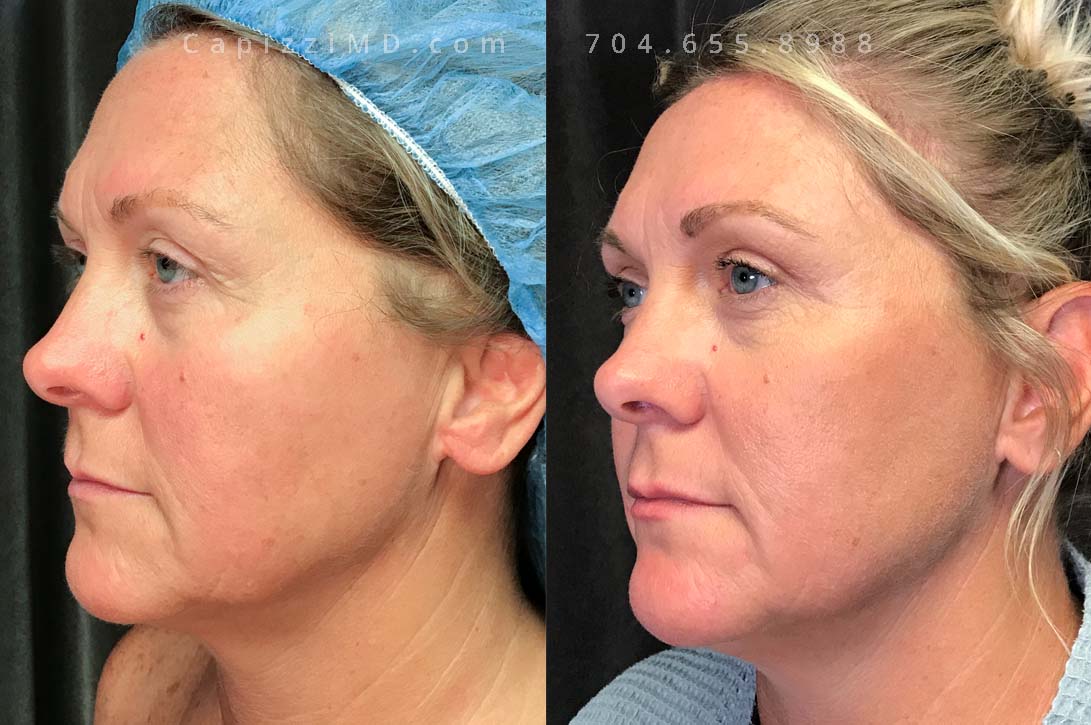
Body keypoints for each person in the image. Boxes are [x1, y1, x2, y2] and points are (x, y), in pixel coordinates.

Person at [21, 1, 545, 723]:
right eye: (81, 259)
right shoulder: (150, 689)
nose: (50, 360)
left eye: (169, 265)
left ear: (482, 393)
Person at [576, 0, 1091, 722]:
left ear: (1039, 385)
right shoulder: (635, 712)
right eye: (629, 290)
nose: (619, 376)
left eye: (746, 275)